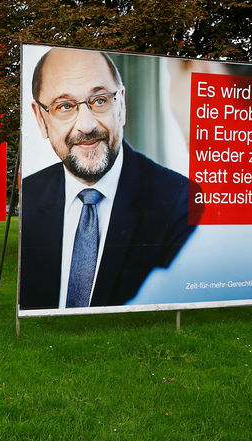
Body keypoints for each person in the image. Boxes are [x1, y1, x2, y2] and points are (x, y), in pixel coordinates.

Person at [20, 47, 199, 310]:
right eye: (65, 106)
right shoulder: (30, 195)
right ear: (41, 119)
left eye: (100, 100)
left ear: (121, 104)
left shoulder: (181, 203)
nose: (87, 125)